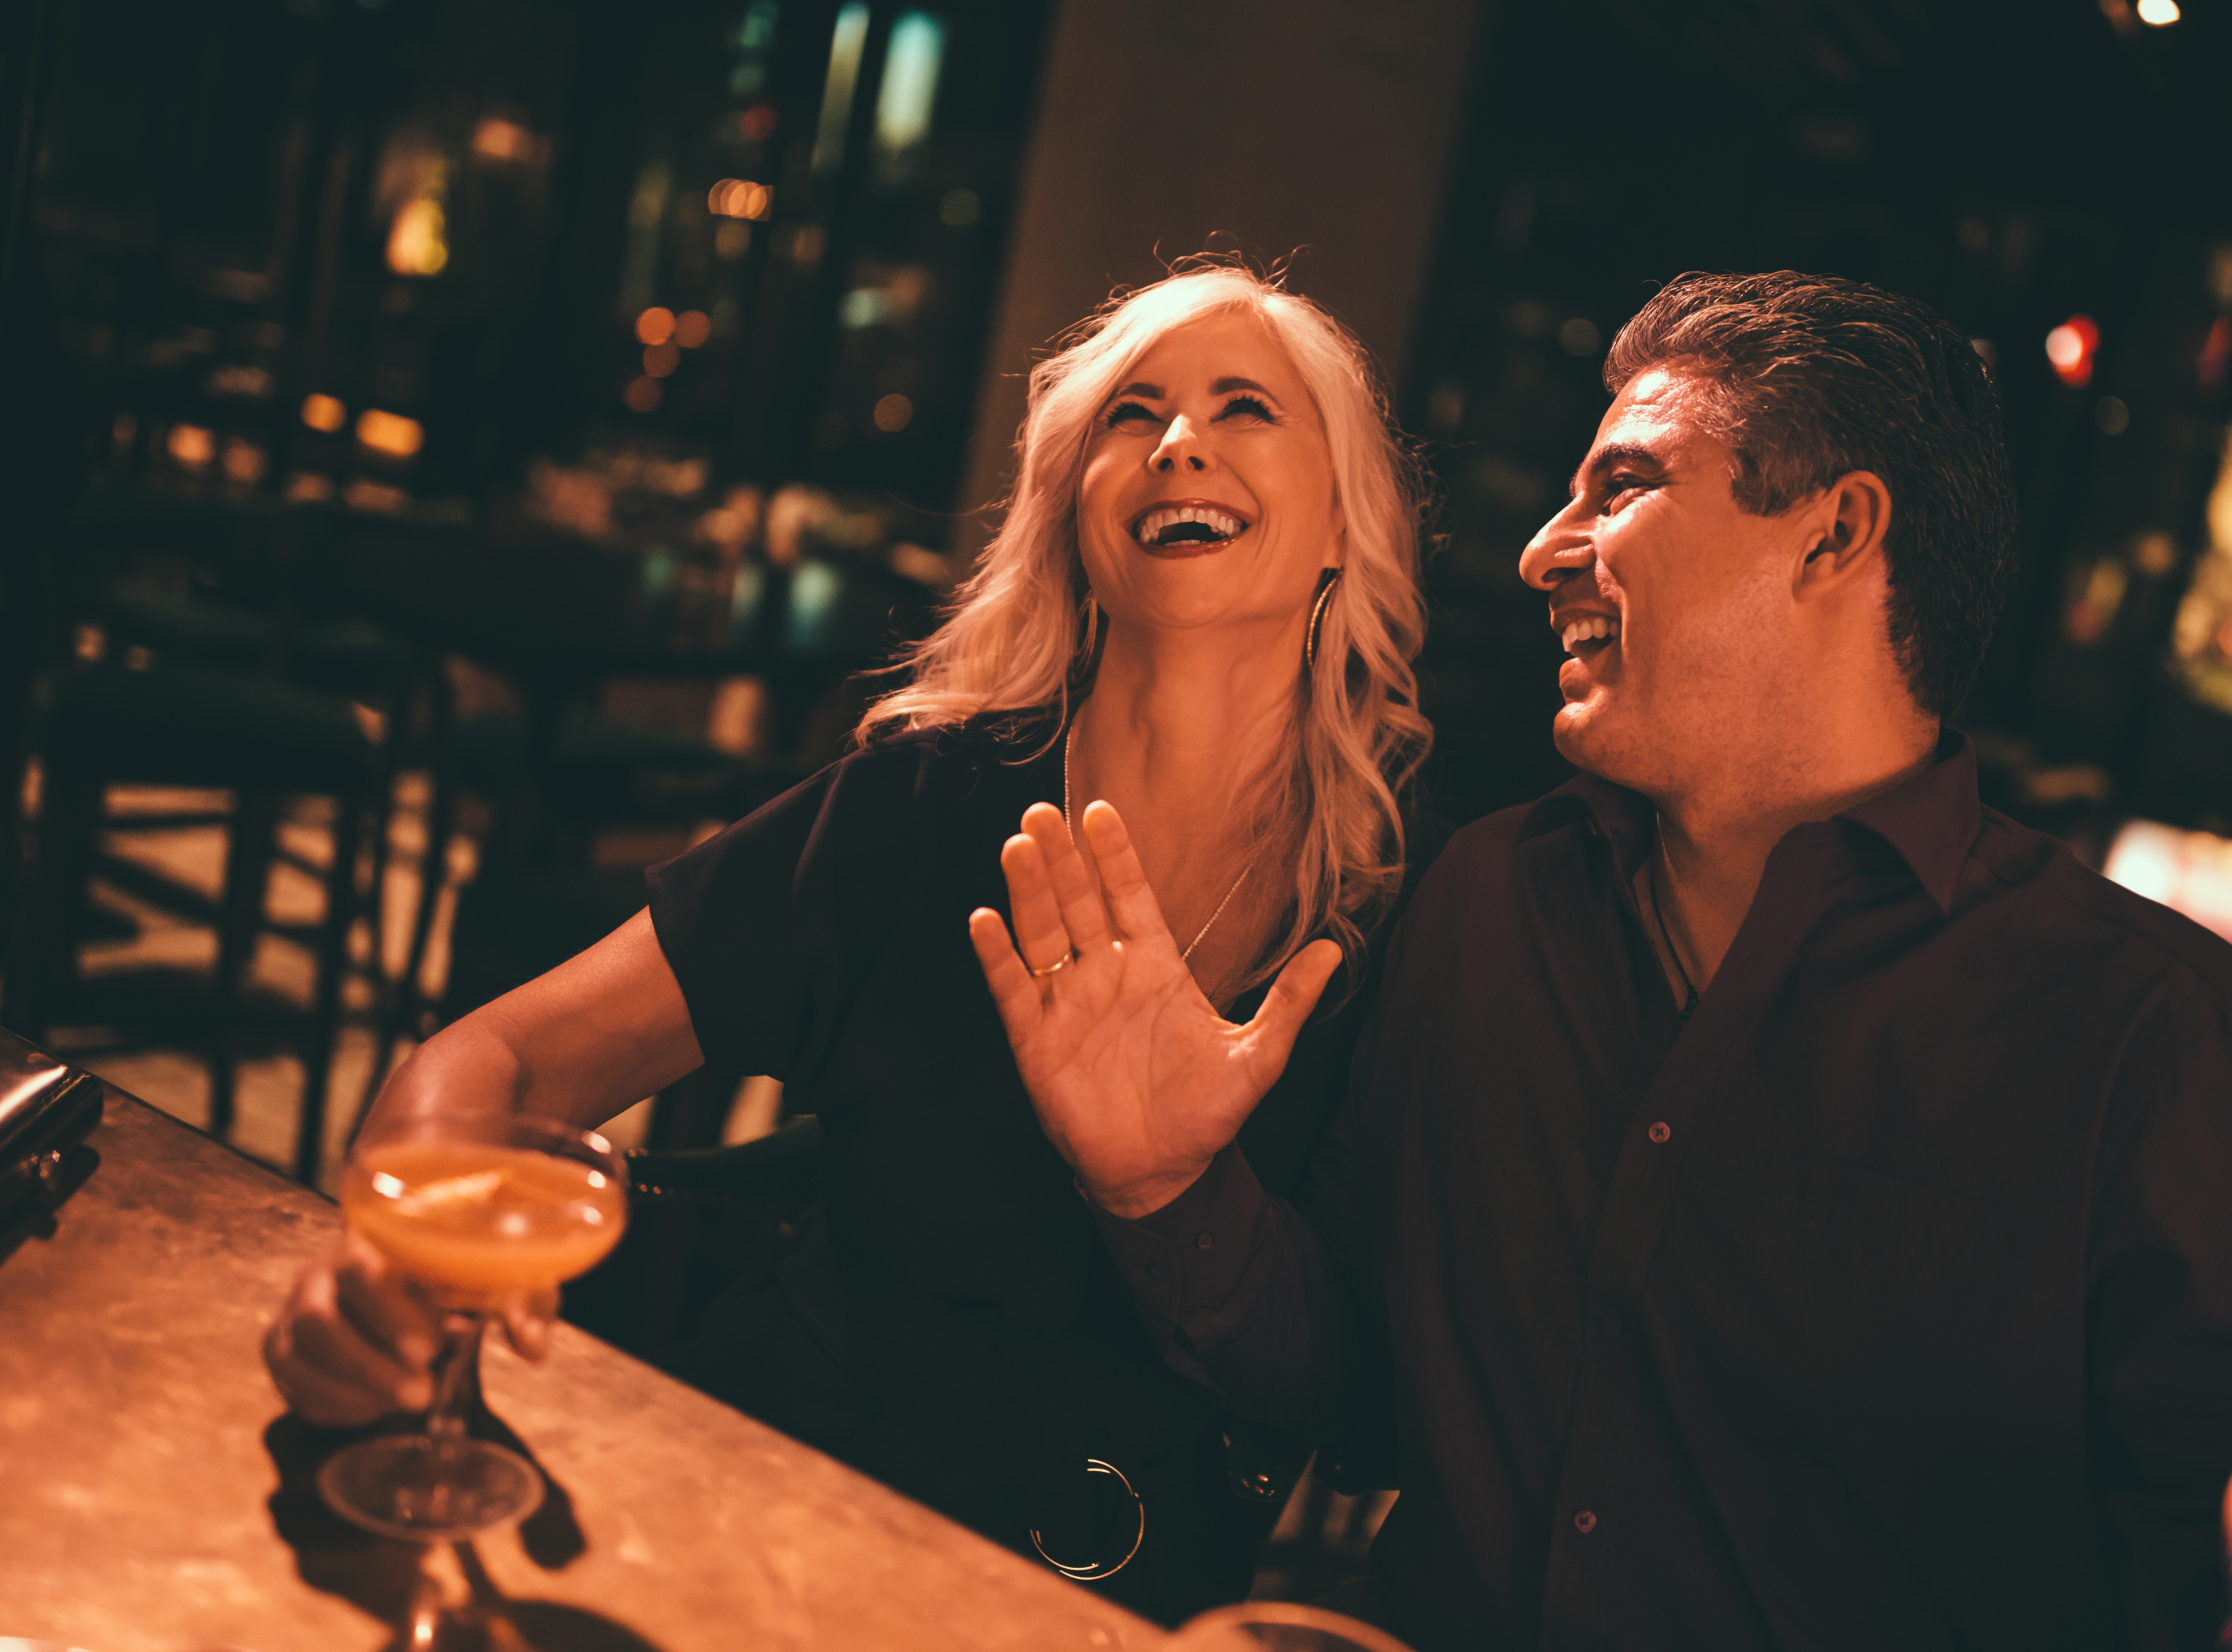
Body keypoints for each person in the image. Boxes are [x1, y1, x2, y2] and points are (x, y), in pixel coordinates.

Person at [974, 272, 2232, 1649]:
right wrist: (1165, 1191)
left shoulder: (2163, 1050)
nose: (1542, 551)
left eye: (1624, 486)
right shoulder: (1484, 906)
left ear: (1838, 535)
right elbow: (1364, 1387)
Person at [262, 261, 1436, 1622]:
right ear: (1071, 512)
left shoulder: (1401, 903)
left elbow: (1362, 1402)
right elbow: (509, 1055)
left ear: (1349, 523)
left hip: (1078, 1587)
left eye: (1247, 408)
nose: (1180, 443)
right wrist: (399, 1257)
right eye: (1133, 415)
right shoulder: (926, 799)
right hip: (756, 1465)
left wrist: (1170, 1190)